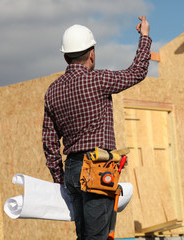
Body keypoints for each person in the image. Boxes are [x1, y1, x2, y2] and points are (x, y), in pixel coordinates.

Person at [42, 16, 151, 240]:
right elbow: (137, 71)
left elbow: (49, 142)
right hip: (97, 169)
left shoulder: (52, 91)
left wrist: (59, 178)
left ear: (65, 56)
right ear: (92, 53)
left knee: (84, 236)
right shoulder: (98, 80)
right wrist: (145, 37)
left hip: (71, 170)